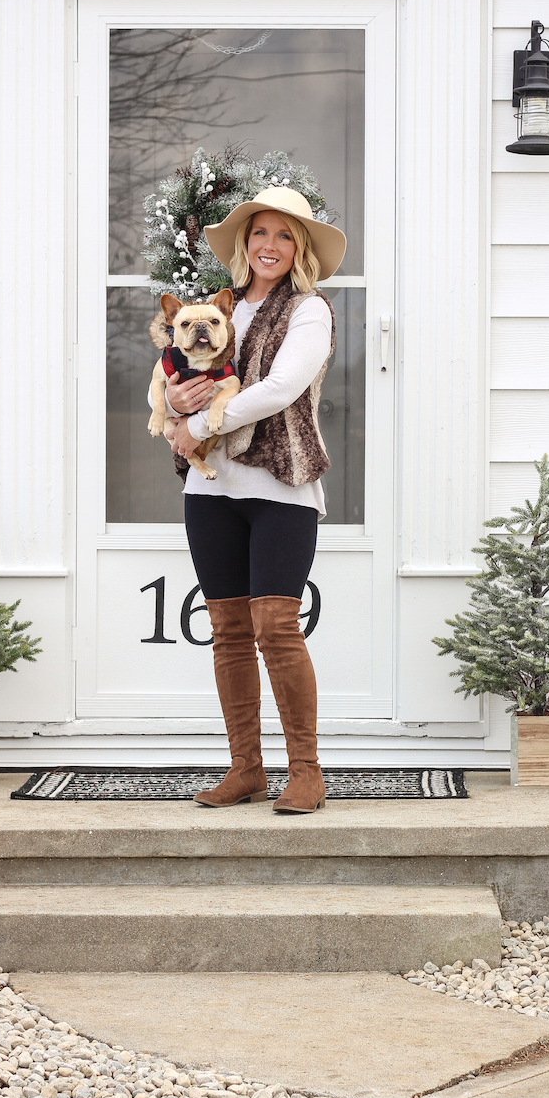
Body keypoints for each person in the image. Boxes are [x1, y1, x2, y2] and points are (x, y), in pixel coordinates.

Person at [162, 185, 346, 814]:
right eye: (260, 233)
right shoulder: (215, 311)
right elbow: (179, 378)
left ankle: (306, 771)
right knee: (229, 632)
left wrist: (202, 425)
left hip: (282, 488)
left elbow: (282, 387)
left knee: (276, 627)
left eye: (285, 235)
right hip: (210, 490)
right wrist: (180, 403)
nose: (271, 246)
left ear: (301, 249)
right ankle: (246, 769)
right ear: (245, 243)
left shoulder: (309, 311)